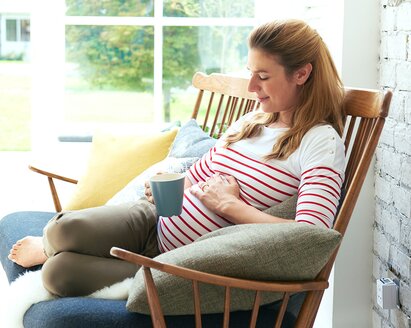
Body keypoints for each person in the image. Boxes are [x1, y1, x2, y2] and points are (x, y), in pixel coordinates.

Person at [8, 19, 346, 297]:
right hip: (153, 219)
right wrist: (169, 186)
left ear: (301, 74)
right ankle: (52, 245)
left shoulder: (319, 142)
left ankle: (66, 256)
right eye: (250, 72)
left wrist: (230, 206)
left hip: (178, 264)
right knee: (61, 230)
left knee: (59, 273)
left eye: (264, 76)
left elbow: (311, 237)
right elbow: (204, 171)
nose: (252, 87)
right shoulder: (253, 119)